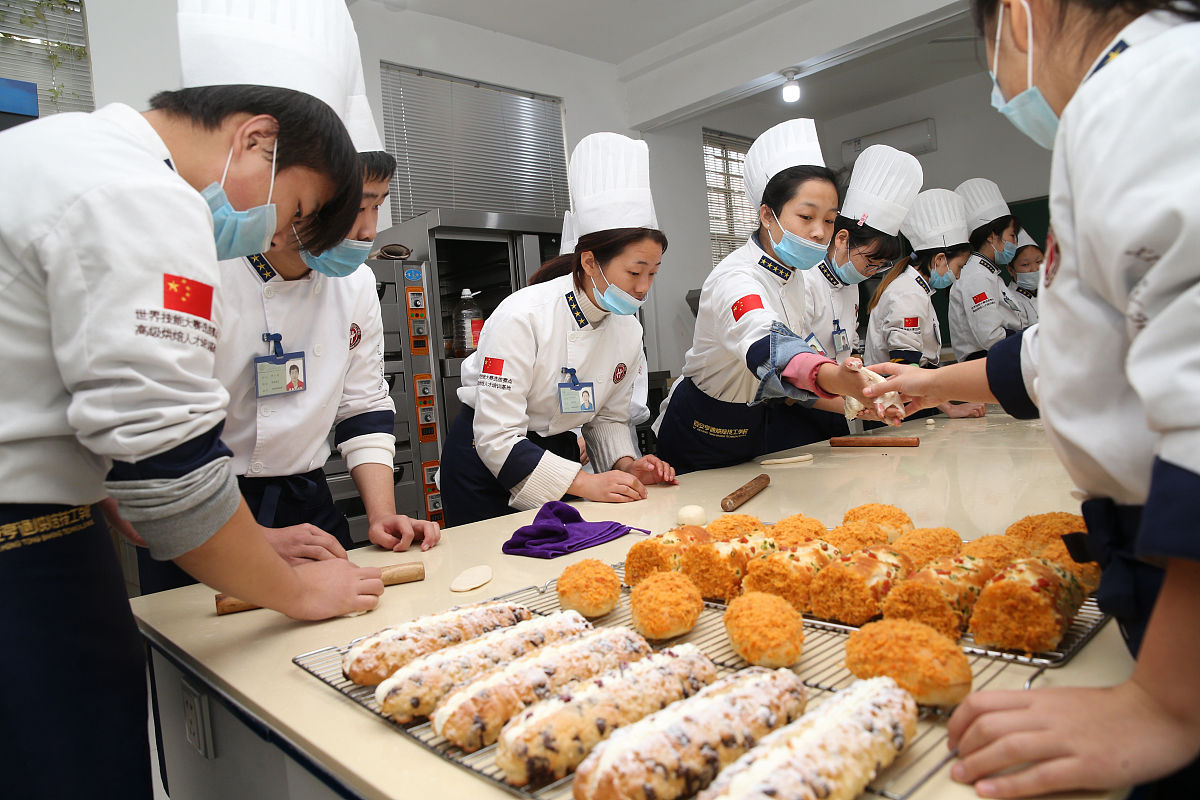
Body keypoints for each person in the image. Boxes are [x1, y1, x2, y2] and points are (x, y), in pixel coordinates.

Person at [0, 82, 385, 799]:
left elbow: (83, 409)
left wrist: (249, 542)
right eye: (296, 210)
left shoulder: (57, 153)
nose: (277, 237)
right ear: (255, 140)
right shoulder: (142, 191)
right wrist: (297, 592)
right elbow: (167, 467)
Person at [863, 0, 1200, 795]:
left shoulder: (1141, 91)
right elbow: (1063, 357)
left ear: (1020, 15)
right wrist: (925, 385)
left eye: (990, 60)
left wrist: (1169, 699)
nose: (1001, 87)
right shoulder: (1142, 91)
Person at [440, 133, 677, 526]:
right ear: (589, 262)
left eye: (652, 273)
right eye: (634, 272)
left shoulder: (627, 330)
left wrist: (625, 464)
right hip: (484, 457)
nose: (643, 288)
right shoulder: (523, 316)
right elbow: (497, 437)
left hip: (561, 452)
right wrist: (587, 484)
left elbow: (609, 419)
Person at [654, 119, 898, 474]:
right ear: (767, 215)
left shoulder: (798, 277)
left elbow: (799, 359)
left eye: (829, 221)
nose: (819, 233)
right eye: (805, 216)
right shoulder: (736, 277)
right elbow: (769, 345)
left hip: (750, 421)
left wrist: (855, 395)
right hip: (701, 425)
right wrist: (838, 381)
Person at [863, 188, 986, 418]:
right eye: (958, 267)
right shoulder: (908, 294)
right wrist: (951, 408)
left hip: (907, 400)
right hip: (898, 406)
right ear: (940, 259)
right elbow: (905, 367)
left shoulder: (915, 290)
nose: (957, 276)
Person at [947, 177, 1027, 361]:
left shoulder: (989, 273)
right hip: (986, 361)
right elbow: (990, 336)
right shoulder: (977, 274)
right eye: (1012, 236)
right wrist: (1024, 338)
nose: (1015, 243)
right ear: (992, 236)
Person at [1007, 228, 1042, 326]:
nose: (1034, 269)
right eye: (1025, 264)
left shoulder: (1052, 290)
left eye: (1039, 262)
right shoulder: (1010, 299)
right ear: (1011, 270)